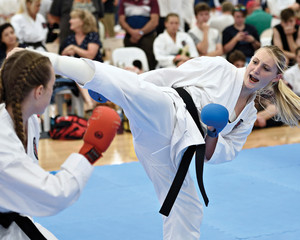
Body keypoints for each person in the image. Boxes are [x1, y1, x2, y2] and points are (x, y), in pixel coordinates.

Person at [34, 44, 300, 239]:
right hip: (170, 112)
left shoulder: (249, 115)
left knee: (189, 206)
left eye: (265, 68)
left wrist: (213, 133)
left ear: (276, 77)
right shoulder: (221, 68)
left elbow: (220, 154)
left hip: (172, 150)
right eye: (255, 61)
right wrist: (119, 88)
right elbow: (171, 76)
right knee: (134, 89)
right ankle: (46, 58)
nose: (255, 69)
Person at [0, 49, 121, 239]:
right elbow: (52, 195)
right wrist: (90, 152)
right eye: (52, 86)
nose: (52, 91)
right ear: (39, 92)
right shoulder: (3, 141)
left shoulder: (27, 119)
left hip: (14, 218)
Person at [60, 8, 103, 114]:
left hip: (94, 69)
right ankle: (90, 102)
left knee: (80, 73)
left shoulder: (92, 36)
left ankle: (90, 103)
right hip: (77, 73)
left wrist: (74, 49)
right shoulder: (69, 39)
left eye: (73, 18)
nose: (70, 21)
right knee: (78, 73)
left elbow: (90, 55)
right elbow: (62, 58)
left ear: (82, 21)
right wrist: (66, 52)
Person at [118, 0, 159, 70]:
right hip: (130, 37)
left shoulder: (152, 1)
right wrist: (132, 32)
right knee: (129, 63)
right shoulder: (123, 1)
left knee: (149, 64)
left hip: (147, 37)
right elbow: (121, 20)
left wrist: (140, 33)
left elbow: (154, 21)